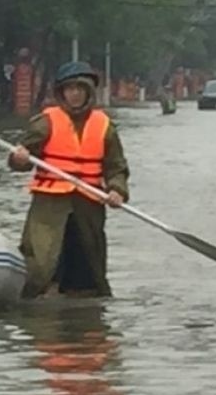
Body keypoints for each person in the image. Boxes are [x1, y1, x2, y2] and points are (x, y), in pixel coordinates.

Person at [8, 61, 130, 299]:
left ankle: (84, 307)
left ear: (88, 92)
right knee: (43, 261)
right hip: (49, 207)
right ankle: (40, 300)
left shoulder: (105, 128)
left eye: (80, 89)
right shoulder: (45, 123)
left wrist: (117, 190)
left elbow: (116, 167)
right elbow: (20, 159)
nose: (74, 94)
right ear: (61, 92)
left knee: (89, 266)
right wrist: (19, 159)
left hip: (88, 206)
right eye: (69, 89)